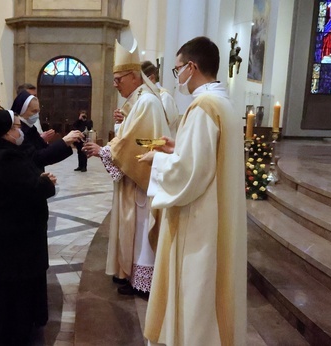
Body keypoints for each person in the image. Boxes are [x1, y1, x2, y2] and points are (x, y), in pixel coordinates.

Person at [139, 36, 247, 346]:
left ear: (191, 67)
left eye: (177, 70)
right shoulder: (225, 104)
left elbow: (188, 174)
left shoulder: (203, 107)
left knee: (196, 294)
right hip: (219, 215)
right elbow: (205, 159)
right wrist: (178, 148)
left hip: (200, 221)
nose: (177, 78)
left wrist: (157, 160)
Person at [83, 39, 170, 297]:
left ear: (134, 77)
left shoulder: (147, 102)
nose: (115, 84)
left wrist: (105, 151)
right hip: (134, 174)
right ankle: (131, 275)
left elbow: (144, 141)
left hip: (142, 177)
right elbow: (134, 137)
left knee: (142, 227)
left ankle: (144, 282)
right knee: (132, 227)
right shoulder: (138, 100)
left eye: (119, 79)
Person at [0, 108, 56, 345]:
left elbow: (22, 186)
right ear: (6, 133)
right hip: (7, 247)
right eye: (17, 128)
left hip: (3, 243)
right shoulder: (6, 158)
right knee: (7, 301)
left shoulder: (1, 153)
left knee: (4, 296)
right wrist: (47, 183)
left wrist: (39, 181)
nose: (21, 132)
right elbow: (34, 189)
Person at [11, 90, 83, 172]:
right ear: (22, 111)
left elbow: (46, 152)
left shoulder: (30, 128)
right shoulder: (18, 131)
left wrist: (67, 142)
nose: (36, 115)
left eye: (38, 111)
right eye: (33, 111)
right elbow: (36, 158)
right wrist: (64, 141)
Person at [141, 61, 180, 137]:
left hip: (164, 144)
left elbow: (163, 125)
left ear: (152, 78)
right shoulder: (145, 95)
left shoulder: (165, 97)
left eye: (140, 79)